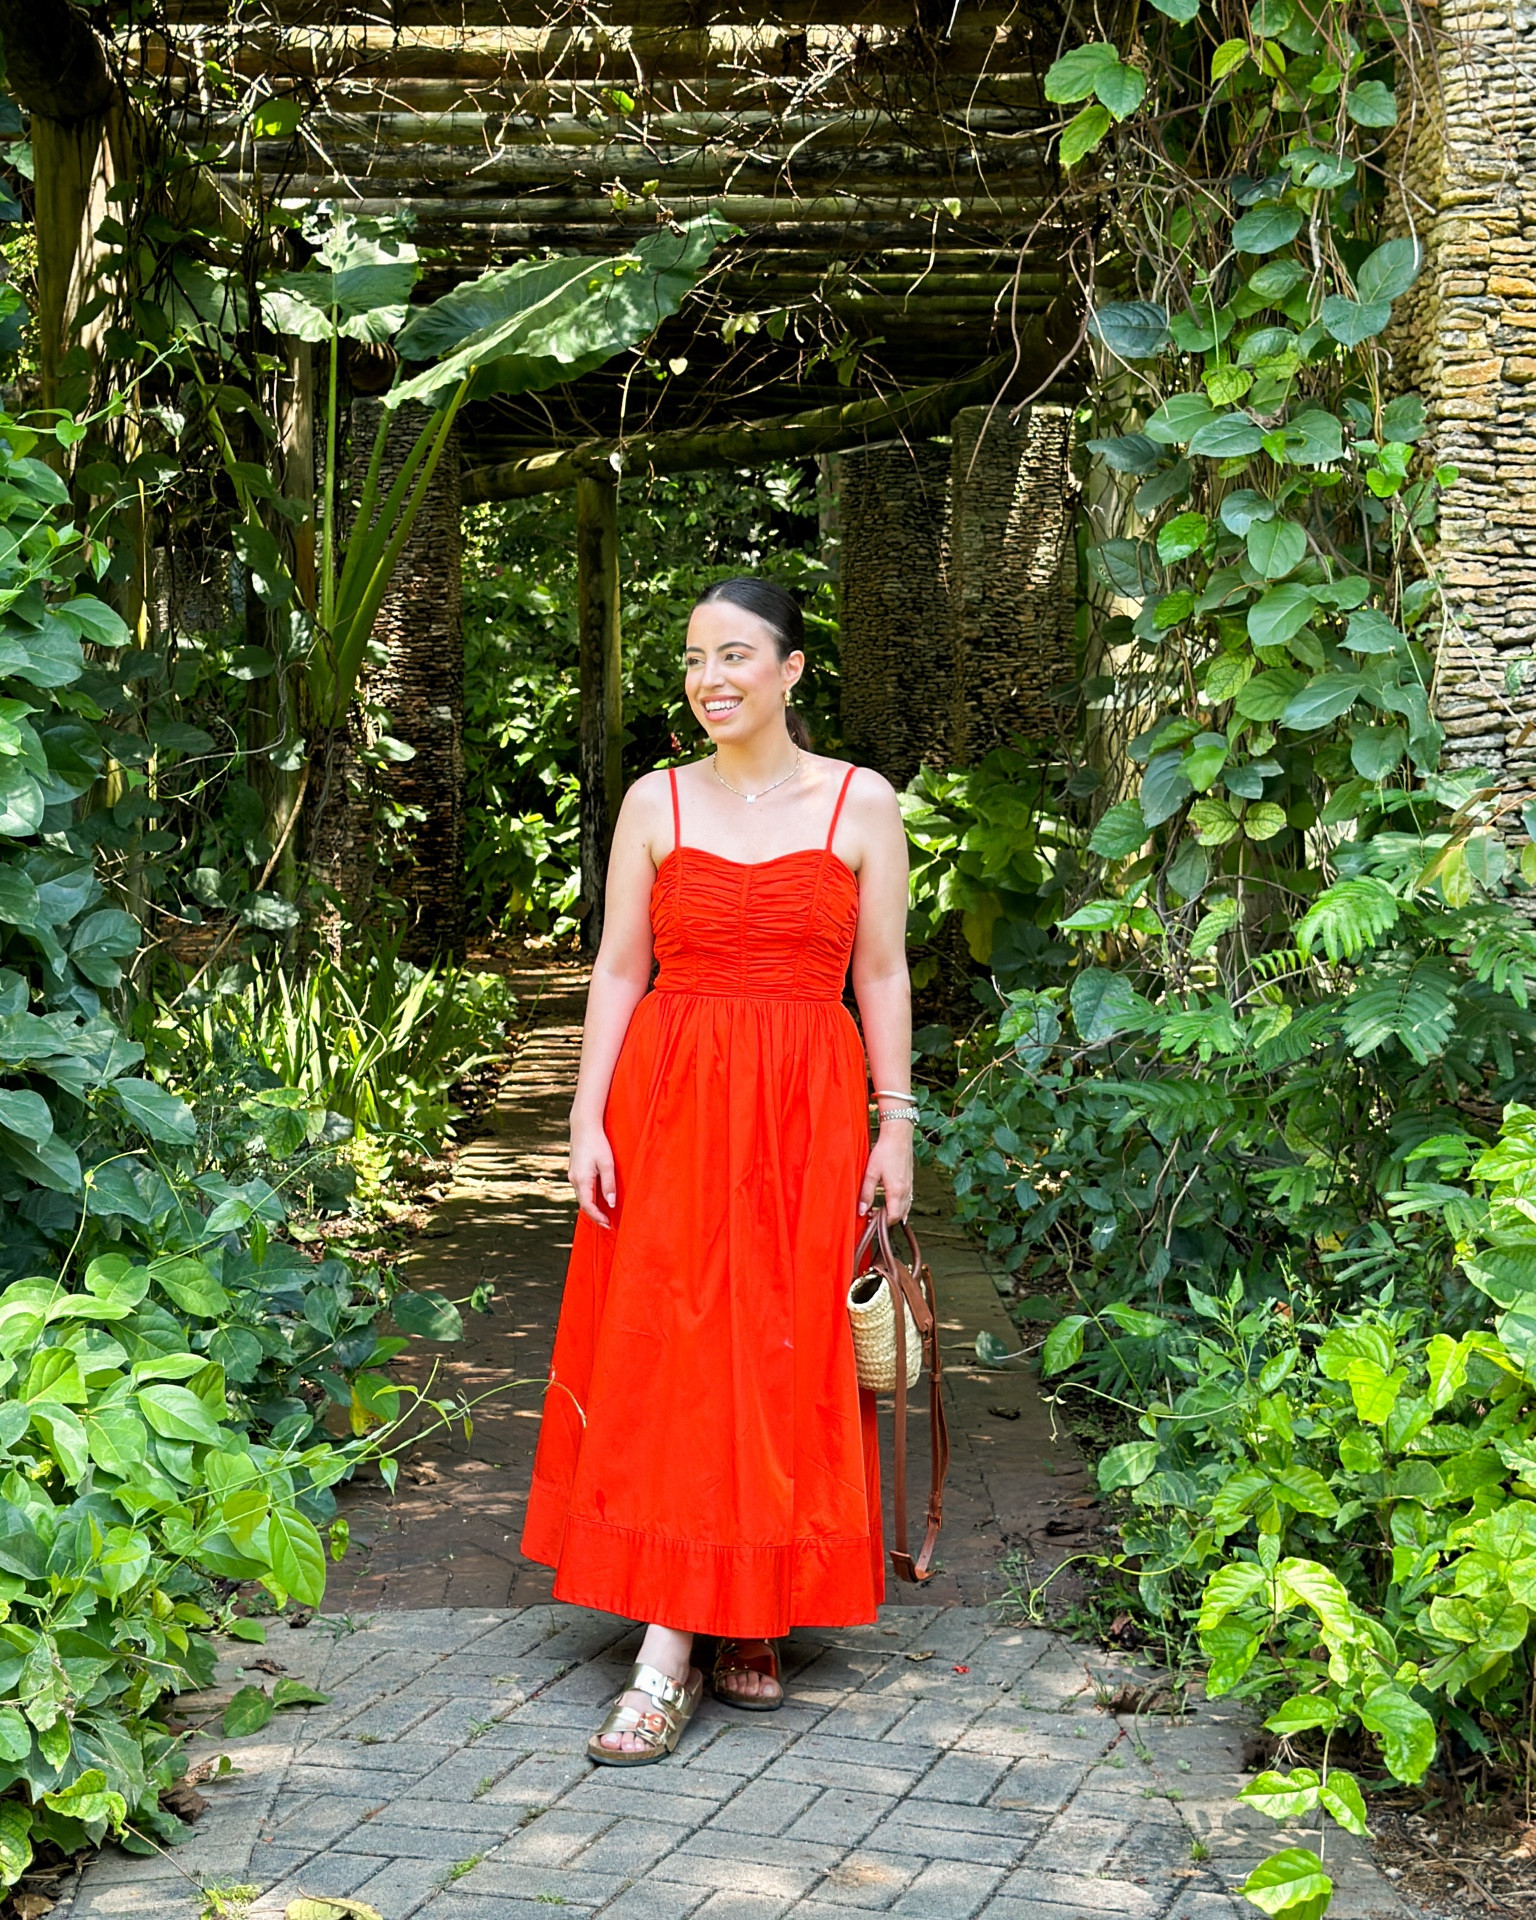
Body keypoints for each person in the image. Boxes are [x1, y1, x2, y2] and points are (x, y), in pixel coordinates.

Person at [519, 574, 915, 1765]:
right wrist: (587, 1118)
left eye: (736, 656)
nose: (710, 680)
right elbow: (617, 973)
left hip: (806, 1108)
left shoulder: (861, 803)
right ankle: (669, 1652)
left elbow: (884, 975)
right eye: (694, 660)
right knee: (679, 1353)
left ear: (792, 670)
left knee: (781, 1353)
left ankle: (750, 1613)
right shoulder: (654, 803)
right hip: (674, 1102)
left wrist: (895, 1125)